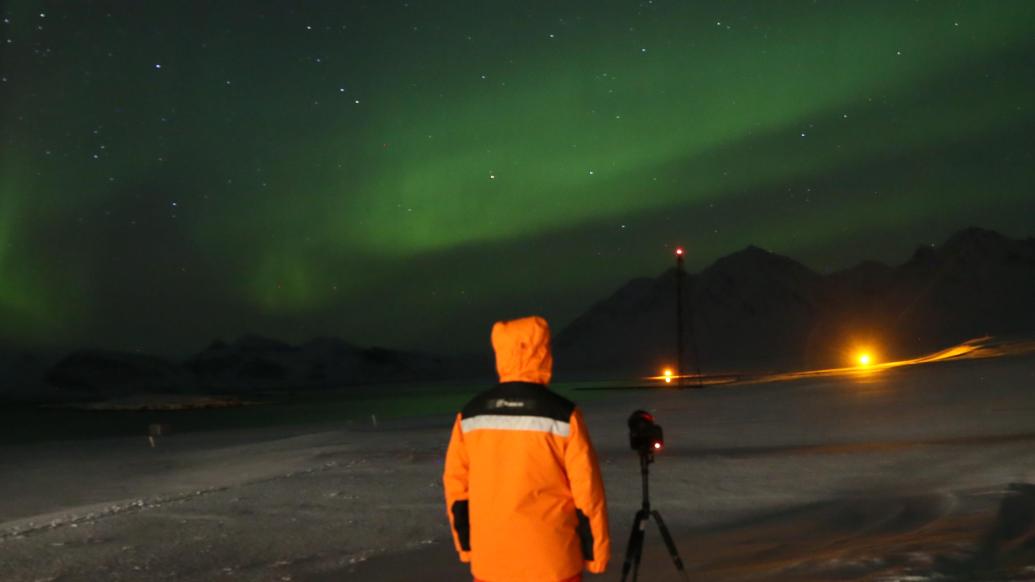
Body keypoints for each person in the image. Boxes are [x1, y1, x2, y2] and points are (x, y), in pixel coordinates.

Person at [443, 316, 610, 582]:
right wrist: (595, 553)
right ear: (543, 352)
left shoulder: (470, 415)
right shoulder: (563, 415)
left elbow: (457, 490)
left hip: (491, 563)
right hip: (553, 563)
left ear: (500, 353)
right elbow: (587, 492)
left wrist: (466, 546)